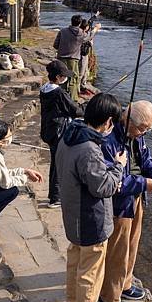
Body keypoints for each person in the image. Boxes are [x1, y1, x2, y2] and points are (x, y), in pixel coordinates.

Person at [56, 93, 127, 302]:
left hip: (72, 216)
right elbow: (104, 187)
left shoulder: (69, 135)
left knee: (75, 263)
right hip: (90, 221)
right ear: (108, 121)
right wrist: (118, 166)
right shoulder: (89, 149)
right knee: (90, 273)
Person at [100, 101, 152, 302]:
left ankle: (125, 284)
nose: (144, 132)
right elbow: (115, 181)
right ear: (128, 120)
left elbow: (146, 159)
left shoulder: (138, 136)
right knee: (117, 250)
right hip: (120, 203)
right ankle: (110, 297)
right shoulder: (109, 141)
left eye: (148, 128)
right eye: (142, 128)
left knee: (132, 244)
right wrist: (144, 183)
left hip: (136, 198)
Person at [39, 60, 84, 208]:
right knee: (59, 164)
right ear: (58, 77)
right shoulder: (58, 92)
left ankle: (55, 195)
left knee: (56, 162)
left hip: (48, 130)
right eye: (64, 76)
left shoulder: (44, 89)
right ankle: (55, 197)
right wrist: (85, 109)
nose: (66, 78)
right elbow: (74, 110)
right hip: (58, 132)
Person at [53, 15, 97, 101]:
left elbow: (55, 45)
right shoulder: (81, 33)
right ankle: (73, 99)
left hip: (60, 58)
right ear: (80, 23)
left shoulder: (62, 31)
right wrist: (96, 29)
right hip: (73, 60)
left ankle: (60, 98)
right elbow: (89, 37)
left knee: (61, 78)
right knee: (73, 79)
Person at [79, 19, 101, 94]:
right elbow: (90, 36)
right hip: (82, 55)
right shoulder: (83, 34)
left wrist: (96, 16)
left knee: (85, 70)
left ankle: (83, 83)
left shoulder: (82, 32)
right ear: (86, 27)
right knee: (81, 71)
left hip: (84, 54)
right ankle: (79, 86)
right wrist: (96, 29)